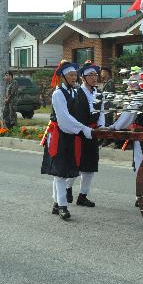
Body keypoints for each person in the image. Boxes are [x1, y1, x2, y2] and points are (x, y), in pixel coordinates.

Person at [41, 61, 95, 220]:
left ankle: (57, 203)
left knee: (63, 170)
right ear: (62, 76)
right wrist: (83, 128)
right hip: (60, 134)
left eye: (74, 75)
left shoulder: (74, 92)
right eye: (70, 75)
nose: (74, 77)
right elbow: (64, 119)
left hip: (69, 134)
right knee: (60, 172)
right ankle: (62, 206)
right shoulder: (58, 94)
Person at [65, 62, 105, 207]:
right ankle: (67, 188)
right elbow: (71, 115)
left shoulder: (99, 93)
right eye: (91, 75)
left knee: (90, 166)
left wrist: (101, 127)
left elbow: (101, 112)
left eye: (95, 75)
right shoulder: (76, 93)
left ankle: (83, 195)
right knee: (76, 165)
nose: (94, 78)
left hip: (93, 133)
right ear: (83, 77)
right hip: (79, 133)